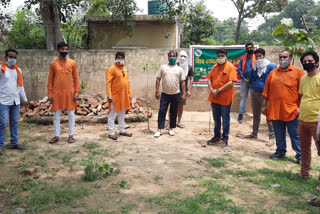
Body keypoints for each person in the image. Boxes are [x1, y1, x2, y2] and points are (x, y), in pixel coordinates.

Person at [262, 50, 304, 163]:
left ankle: (300, 156)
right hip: (275, 109)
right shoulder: (273, 73)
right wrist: (264, 106)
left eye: (285, 57)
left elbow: (303, 92)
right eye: (280, 57)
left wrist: (300, 108)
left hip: (292, 110)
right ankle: (280, 151)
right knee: (278, 132)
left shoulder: (298, 72)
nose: (282, 60)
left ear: (290, 58)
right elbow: (266, 91)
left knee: (295, 134)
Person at [47, 42, 80, 144]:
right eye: (62, 49)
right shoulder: (53, 64)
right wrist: (50, 94)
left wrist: (77, 92)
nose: (64, 51)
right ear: (58, 50)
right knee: (57, 115)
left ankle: (71, 136)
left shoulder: (72, 63)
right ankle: (56, 136)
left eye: (66, 49)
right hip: (57, 93)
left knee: (71, 115)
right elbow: (50, 80)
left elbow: (76, 78)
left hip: (70, 92)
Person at [296, 50, 320, 179]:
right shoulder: (303, 79)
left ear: (317, 62)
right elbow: (302, 96)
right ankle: (304, 173)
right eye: (304, 62)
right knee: (304, 148)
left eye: (310, 61)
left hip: (317, 121)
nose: (307, 63)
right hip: (303, 119)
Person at [245, 48, 276, 146]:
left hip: (267, 96)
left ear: (264, 56)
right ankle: (254, 133)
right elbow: (251, 79)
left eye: (260, 56)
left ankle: (272, 137)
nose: (258, 58)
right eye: (256, 56)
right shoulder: (254, 67)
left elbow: (274, 81)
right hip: (255, 94)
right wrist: (254, 87)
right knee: (256, 114)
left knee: (269, 115)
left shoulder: (271, 67)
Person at [207, 48, 237, 147]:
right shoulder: (214, 67)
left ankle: (225, 138)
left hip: (225, 98)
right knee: (216, 119)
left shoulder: (230, 67)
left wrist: (218, 90)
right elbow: (209, 79)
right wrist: (212, 90)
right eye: (219, 56)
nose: (220, 58)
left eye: (222, 56)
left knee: (225, 119)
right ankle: (217, 136)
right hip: (214, 97)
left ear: (226, 57)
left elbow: (231, 82)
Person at [0, 49, 28, 155]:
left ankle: (14, 142)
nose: (12, 59)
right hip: (3, 100)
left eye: (14, 57)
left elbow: (20, 86)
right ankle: (0, 145)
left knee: (14, 122)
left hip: (15, 101)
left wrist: (24, 99)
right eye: (10, 57)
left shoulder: (18, 70)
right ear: (6, 57)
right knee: (2, 123)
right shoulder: (1, 69)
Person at [154, 50, 186, 138]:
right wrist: (157, 91)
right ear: (168, 57)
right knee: (162, 111)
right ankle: (159, 130)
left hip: (176, 94)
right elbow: (158, 79)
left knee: (173, 112)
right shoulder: (163, 67)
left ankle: (171, 129)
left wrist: (183, 94)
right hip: (165, 93)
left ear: (176, 57)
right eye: (170, 56)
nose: (172, 58)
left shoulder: (179, 69)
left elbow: (183, 82)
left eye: (173, 56)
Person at [106, 51, 133, 140]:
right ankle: (111, 133)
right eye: (118, 58)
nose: (120, 59)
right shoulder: (111, 69)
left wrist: (129, 94)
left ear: (124, 59)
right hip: (115, 95)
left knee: (122, 114)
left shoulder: (124, 69)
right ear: (115, 58)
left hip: (124, 95)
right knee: (112, 114)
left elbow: (127, 82)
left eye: (121, 58)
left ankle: (122, 130)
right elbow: (108, 83)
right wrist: (109, 95)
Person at [237, 42, 256, 123]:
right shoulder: (243, 58)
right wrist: (244, 78)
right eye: (247, 48)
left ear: (253, 48)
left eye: (250, 48)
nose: (249, 49)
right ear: (246, 49)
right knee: (243, 98)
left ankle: (256, 114)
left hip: (254, 81)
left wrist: (252, 79)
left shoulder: (256, 57)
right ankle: (240, 115)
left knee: (255, 98)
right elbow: (239, 69)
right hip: (244, 81)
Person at [176, 50, 193, 128]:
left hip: (183, 90)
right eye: (181, 56)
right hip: (174, 89)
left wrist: (189, 90)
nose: (182, 58)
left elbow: (191, 79)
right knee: (172, 106)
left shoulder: (189, 67)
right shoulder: (176, 65)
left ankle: (179, 122)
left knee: (181, 106)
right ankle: (170, 123)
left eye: (184, 56)